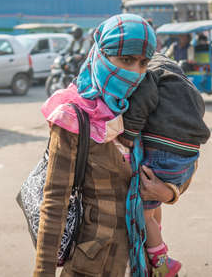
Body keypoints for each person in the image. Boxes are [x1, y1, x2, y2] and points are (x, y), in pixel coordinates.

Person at [35, 14, 176, 277]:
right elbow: (55, 203)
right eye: (126, 60)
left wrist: (167, 193)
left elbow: (178, 162)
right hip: (93, 264)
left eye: (143, 63)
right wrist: (42, 272)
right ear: (101, 55)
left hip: (141, 261)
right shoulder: (72, 117)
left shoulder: (143, 108)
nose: (134, 72)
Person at [119, 53, 210, 276]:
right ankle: (156, 240)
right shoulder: (183, 82)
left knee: (145, 214)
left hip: (164, 153)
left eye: (140, 63)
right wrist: (168, 193)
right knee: (153, 210)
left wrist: (129, 134)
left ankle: (160, 263)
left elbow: (143, 101)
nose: (136, 69)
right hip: (188, 154)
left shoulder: (151, 75)